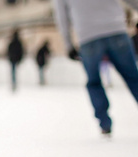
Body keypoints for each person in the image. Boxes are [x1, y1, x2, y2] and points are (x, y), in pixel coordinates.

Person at [52, 0, 138, 136]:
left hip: (88, 35)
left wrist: (68, 44)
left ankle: (104, 123)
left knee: (94, 81)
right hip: (116, 29)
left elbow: (62, 17)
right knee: (133, 77)